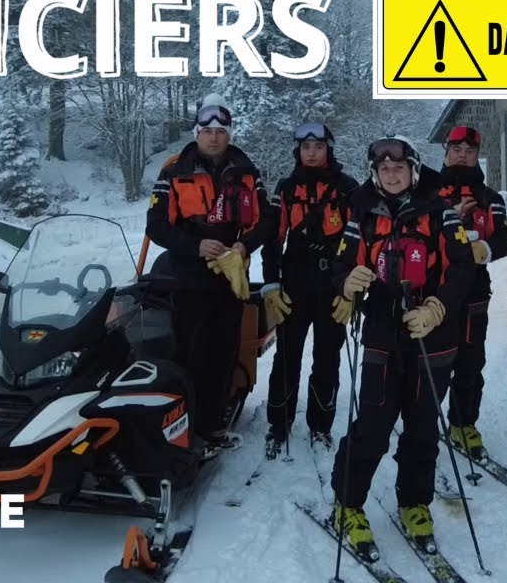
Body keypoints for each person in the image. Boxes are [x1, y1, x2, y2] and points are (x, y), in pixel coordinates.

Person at [328, 136, 475, 555]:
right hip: (381, 334)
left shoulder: (439, 211)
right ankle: (348, 503)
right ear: (376, 175)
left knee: (423, 426)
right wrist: (347, 283)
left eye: (399, 168)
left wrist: (437, 307)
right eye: (384, 170)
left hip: (433, 334)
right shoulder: (362, 214)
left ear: (412, 170)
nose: (392, 175)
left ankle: (414, 503)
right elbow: (343, 263)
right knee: (372, 425)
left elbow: (462, 269)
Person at [146, 97, 275, 447]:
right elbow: (156, 227)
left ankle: (212, 423)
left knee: (223, 352)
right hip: (187, 277)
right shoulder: (174, 171)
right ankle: (180, 425)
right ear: (197, 134)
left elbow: (267, 219)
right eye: (207, 132)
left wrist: (244, 246)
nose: (214, 138)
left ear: (228, 135)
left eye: (221, 131)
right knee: (189, 352)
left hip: (230, 277)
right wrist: (195, 245)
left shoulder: (247, 173)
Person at [260, 122, 359, 458]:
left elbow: (361, 241)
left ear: (328, 148)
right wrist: (271, 284)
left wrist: (352, 290)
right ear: (298, 151)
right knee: (287, 356)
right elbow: (273, 240)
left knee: (327, 357)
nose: (312, 153)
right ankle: (279, 423)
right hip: (295, 282)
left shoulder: (347, 188)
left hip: (334, 283)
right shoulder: (286, 188)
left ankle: (321, 425)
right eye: (306, 148)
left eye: (318, 147)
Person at [434, 126, 507, 460]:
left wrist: (485, 248)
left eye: (469, 148)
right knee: (433, 361)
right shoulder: (428, 192)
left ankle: (464, 422)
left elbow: (504, 238)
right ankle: (423, 419)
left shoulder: (490, 197)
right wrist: (451, 219)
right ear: (446, 151)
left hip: (474, 293)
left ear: (477, 154)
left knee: (470, 361)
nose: (462, 153)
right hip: (433, 292)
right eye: (456, 148)